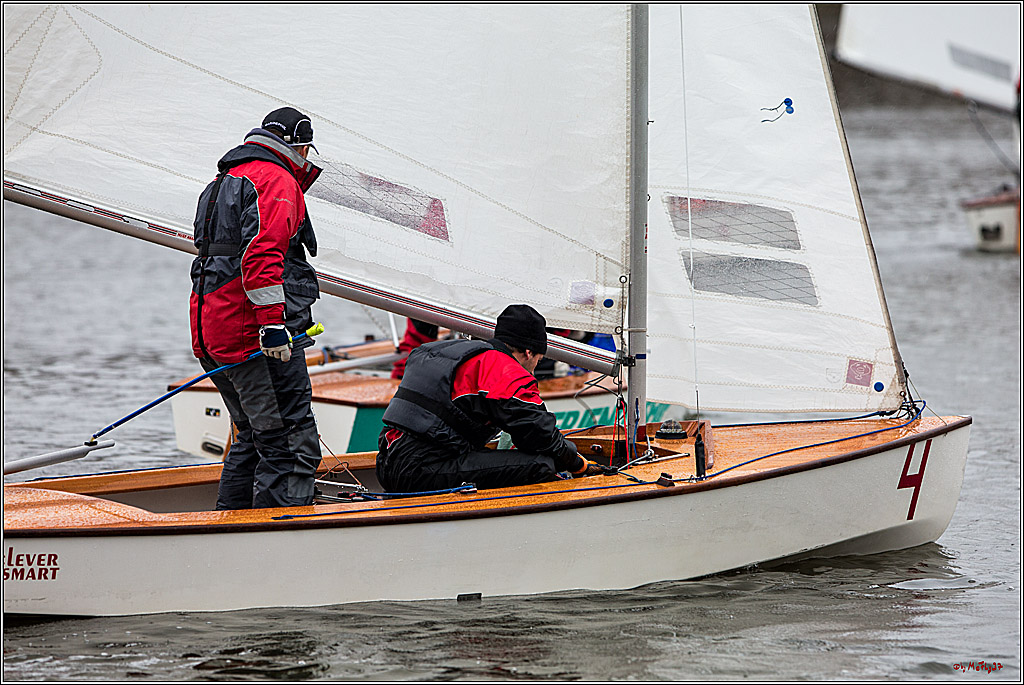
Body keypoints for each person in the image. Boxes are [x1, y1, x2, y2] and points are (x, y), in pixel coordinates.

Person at [189, 107, 324, 509]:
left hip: (214, 332)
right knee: (289, 442)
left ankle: (230, 524)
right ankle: (280, 533)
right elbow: (261, 256)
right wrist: (272, 326)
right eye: (306, 149)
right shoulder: (276, 180)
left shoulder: (223, 180)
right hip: (255, 337)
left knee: (252, 436)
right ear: (298, 146)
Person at [376, 304, 604, 493]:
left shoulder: (436, 351)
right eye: (539, 359)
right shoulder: (506, 371)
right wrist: (579, 465)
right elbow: (541, 435)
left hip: (387, 463)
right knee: (541, 464)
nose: (535, 367)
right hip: (419, 471)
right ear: (528, 352)